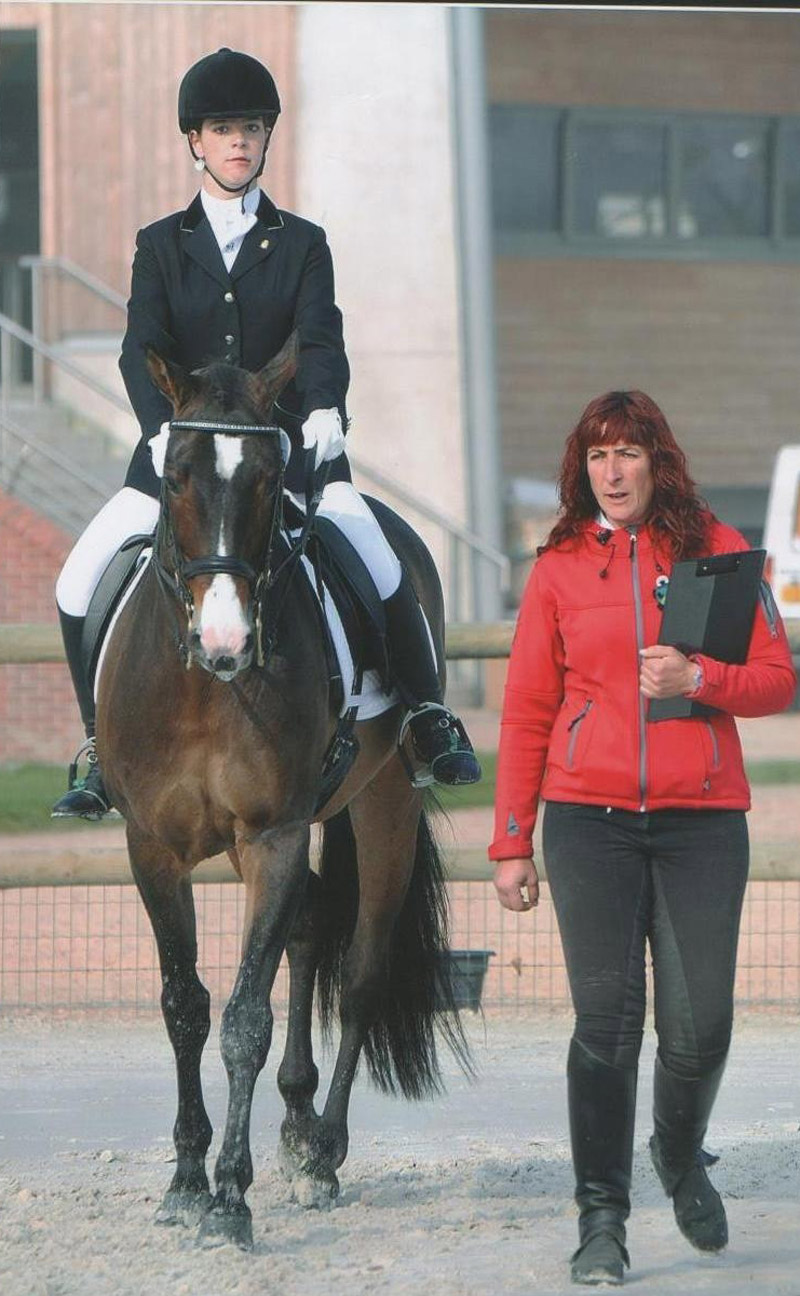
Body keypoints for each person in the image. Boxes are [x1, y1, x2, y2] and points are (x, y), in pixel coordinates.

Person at [52, 47, 480, 818]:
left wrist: (324, 409)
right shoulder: (160, 243)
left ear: (264, 138)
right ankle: (96, 745)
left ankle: (425, 713)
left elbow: (321, 337)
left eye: (250, 127)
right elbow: (136, 343)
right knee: (77, 578)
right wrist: (158, 429)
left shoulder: (303, 242)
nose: (238, 141)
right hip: (182, 457)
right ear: (196, 142)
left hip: (286, 450)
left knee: (378, 556)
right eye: (223, 128)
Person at [489, 390, 796, 1286]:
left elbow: (777, 680)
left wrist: (700, 673)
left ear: (659, 460)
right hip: (590, 823)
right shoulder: (554, 571)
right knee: (608, 1024)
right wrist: (513, 839)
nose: (612, 472)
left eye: (628, 453)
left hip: (702, 823)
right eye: (596, 456)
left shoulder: (721, 553)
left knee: (701, 1029)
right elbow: (528, 709)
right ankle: (601, 1219)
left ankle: (676, 1148)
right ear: (580, 469)